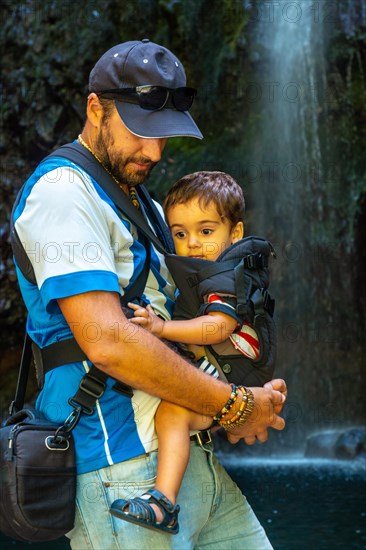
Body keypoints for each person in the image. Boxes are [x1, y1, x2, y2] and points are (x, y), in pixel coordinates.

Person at [12, 39, 287, 550]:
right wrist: (233, 406)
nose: (155, 151)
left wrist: (250, 394)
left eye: (164, 136)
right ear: (96, 109)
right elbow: (109, 341)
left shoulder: (153, 208)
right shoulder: (64, 191)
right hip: (123, 472)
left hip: (186, 461)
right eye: (141, 131)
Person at [110, 171, 269, 533]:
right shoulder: (209, 271)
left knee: (171, 415)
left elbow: (219, 326)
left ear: (236, 234)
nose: (193, 244)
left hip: (229, 376)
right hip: (229, 374)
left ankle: (163, 502)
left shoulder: (224, 276)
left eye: (206, 231)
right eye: (180, 234)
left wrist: (162, 328)